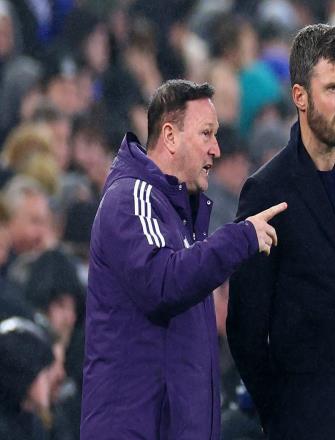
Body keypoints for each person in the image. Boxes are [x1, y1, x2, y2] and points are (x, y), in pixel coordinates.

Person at [80, 79, 286, 440]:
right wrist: (240, 237)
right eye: (206, 134)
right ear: (170, 136)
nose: (216, 149)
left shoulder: (177, 214)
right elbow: (161, 281)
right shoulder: (131, 198)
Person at [227, 24, 335, 439]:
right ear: (300, 96)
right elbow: (245, 327)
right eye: (333, 89)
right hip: (308, 417)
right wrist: (280, 413)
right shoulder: (266, 190)